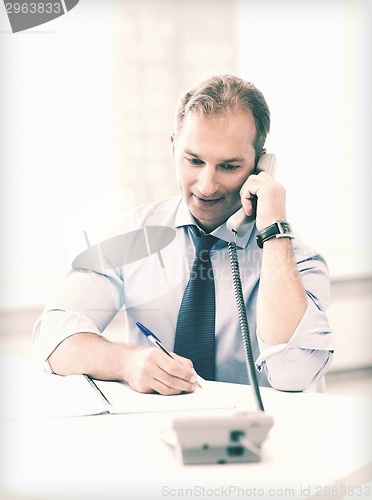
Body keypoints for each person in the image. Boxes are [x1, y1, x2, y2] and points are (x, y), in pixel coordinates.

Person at [33, 74, 334, 395]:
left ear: (261, 165)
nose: (206, 185)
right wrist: (125, 361)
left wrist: (274, 230)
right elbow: (51, 335)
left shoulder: (300, 261)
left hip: (260, 436)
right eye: (194, 161)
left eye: (229, 166)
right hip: (158, 429)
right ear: (174, 147)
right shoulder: (130, 236)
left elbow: (294, 374)